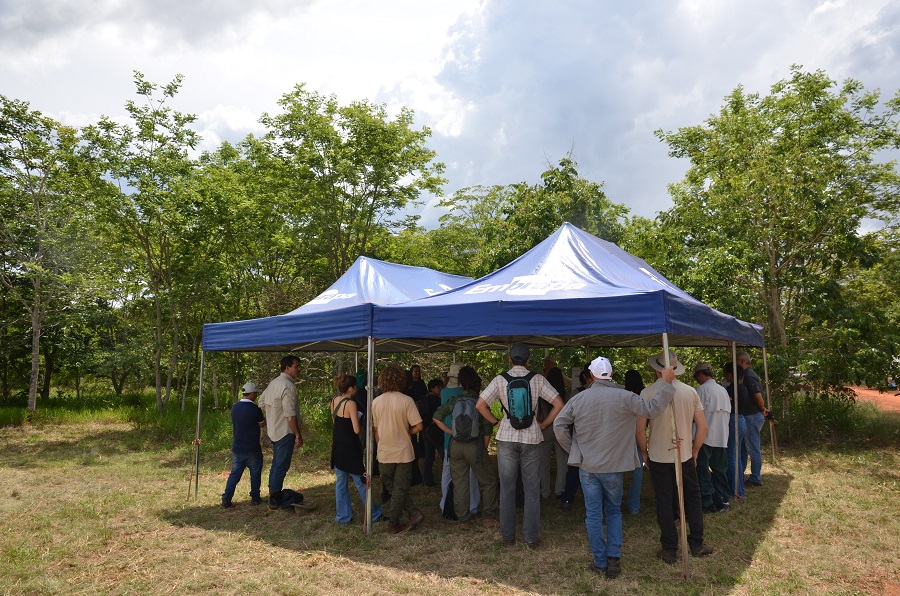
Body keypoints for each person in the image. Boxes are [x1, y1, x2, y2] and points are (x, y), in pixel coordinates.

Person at [554, 355, 675, 579]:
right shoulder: (626, 396)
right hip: (614, 466)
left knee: (593, 515)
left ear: (591, 375)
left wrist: (574, 449)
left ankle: (600, 562)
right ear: (612, 375)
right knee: (613, 511)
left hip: (588, 465)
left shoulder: (579, 399)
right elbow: (653, 409)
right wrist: (666, 383)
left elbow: (559, 424)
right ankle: (613, 559)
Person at [476, 343, 564, 547]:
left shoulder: (500, 380)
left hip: (507, 437)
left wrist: (496, 421)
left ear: (510, 359)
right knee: (532, 489)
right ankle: (531, 538)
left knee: (507, 489)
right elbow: (559, 403)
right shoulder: (538, 379)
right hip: (532, 437)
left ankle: (508, 537)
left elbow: (480, 405)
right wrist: (543, 423)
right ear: (528, 360)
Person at [636, 350, 714, 564]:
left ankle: (670, 548)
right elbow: (703, 427)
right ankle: (696, 543)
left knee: (664, 499)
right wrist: (695, 450)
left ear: (658, 369)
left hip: (660, 455)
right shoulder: (690, 392)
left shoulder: (646, 393)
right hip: (684, 455)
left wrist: (644, 452)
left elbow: (640, 431)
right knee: (693, 497)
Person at [432, 366, 499, 527]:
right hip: (474, 446)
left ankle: (463, 520)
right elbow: (487, 429)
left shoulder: (455, 400)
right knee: (488, 480)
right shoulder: (479, 401)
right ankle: (488, 517)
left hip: (455, 445)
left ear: (460, 382)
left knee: (460, 482)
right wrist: (483, 449)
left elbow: (436, 417)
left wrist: (451, 432)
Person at [371, 364, 425, 534]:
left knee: (393, 487)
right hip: (403, 451)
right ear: (401, 380)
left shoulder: (375, 402)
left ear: (382, 381)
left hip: (384, 451)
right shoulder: (406, 400)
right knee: (399, 489)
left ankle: (405, 517)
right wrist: (407, 432)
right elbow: (419, 426)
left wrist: (380, 443)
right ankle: (399, 520)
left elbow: (375, 429)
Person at [259, 355, 312, 510]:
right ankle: (274, 499)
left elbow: (262, 403)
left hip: (274, 430)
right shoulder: (287, 386)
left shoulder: (273, 383)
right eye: (296, 366)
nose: (299, 369)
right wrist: (297, 434)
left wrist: (273, 412)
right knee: (281, 464)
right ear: (287, 367)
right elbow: (290, 414)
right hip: (284, 431)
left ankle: (274, 494)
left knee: (277, 463)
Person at [330, 374, 384, 526]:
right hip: (350, 448)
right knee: (361, 481)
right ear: (350, 388)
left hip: (338, 446)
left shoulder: (334, 401)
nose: (356, 390)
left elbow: (337, 422)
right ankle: (374, 513)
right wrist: (360, 420)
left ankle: (343, 517)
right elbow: (355, 429)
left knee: (340, 483)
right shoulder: (351, 404)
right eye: (355, 387)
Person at [439, 363, 481, 518]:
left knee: (447, 472)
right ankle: (473, 505)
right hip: (469, 438)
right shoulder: (469, 394)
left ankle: (445, 504)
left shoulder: (443, 392)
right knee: (471, 473)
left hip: (448, 437)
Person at [693, 362, 731, 513]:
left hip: (705, 436)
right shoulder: (723, 390)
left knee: (702, 469)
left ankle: (708, 501)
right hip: (721, 435)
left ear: (702, 374)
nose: (697, 380)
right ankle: (724, 498)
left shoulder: (701, 390)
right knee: (720, 468)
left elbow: (694, 414)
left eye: (697, 376)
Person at [221, 382, 266, 508]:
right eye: (255, 393)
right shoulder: (255, 409)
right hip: (252, 448)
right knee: (255, 474)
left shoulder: (235, 407)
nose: (256, 395)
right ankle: (255, 498)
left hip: (238, 447)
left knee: (234, 475)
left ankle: (226, 499)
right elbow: (262, 423)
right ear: (251, 394)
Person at [736, 351, 768, 487]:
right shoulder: (747, 374)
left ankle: (755, 478)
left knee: (753, 448)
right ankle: (741, 473)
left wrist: (762, 409)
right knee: (744, 447)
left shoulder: (748, 375)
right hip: (749, 416)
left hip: (752, 416)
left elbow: (757, 395)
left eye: (736, 360)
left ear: (743, 361)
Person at [723, 363, 751, 499]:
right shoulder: (743, 388)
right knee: (737, 456)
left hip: (733, 420)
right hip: (741, 420)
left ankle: (735, 489)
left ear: (730, 374)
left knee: (731, 457)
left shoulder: (731, 389)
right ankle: (739, 489)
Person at [540, 365, 567, 500]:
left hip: (545, 429)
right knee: (562, 462)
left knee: (543, 461)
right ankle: (559, 489)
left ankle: (545, 490)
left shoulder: (543, 395)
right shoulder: (565, 395)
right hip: (561, 430)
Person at [622, 370, 646, 515]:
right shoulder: (643, 395)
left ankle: (615, 501)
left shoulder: (622, 395)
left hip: (623, 436)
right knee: (638, 471)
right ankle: (634, 505)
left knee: (618, 469)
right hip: (638, 433)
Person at [420, 379, 444, 486]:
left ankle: (427, 479)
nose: (440, 389)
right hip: (434, 430)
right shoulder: (436, 401)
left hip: (425, 430)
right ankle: (448, 478)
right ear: (432, 389)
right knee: (443, 454)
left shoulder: (425, 399)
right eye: (438, 387)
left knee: (429, 456)